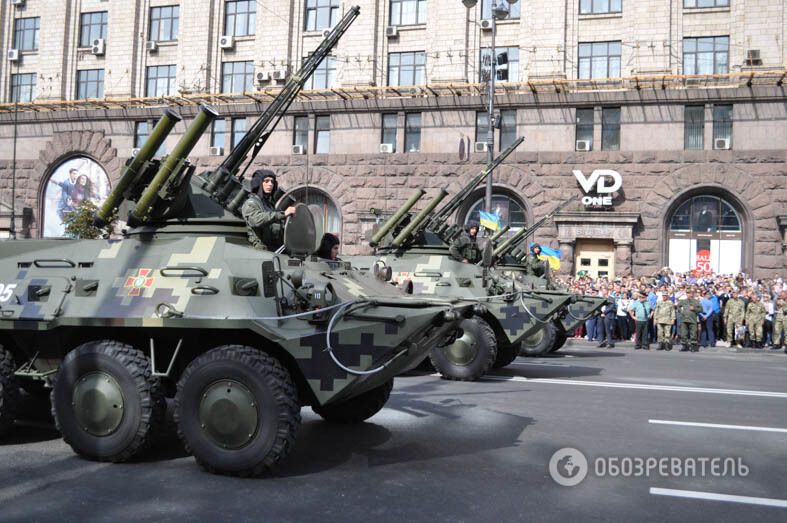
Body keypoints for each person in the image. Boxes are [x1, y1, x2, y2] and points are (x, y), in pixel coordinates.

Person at [241, 169, 296, 251]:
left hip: (273, 249)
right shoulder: (251, 203)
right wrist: (283, 214)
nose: (270, 184)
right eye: (266, 181)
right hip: (259, 250)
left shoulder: (269, 204)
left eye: (272, 182)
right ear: (259, 183)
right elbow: (256, 220)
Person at [677, 288, 702, 352]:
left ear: (693, 294)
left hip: (692, 320)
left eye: (690, 293)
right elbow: (678, 306)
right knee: (683, 334)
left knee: (693, 334)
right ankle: (684, 346)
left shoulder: (696, 301)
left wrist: (694, 309)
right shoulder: (683, 301)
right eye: (688, 293)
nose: (689, 294)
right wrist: (681, 311)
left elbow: (701, 309)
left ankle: (693, 346)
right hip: (684, 320)